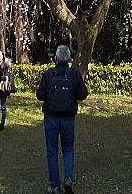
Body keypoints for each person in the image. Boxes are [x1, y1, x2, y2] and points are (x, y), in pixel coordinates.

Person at [36, 45, 88, 194]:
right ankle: (68, 178)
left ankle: (54, 185)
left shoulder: (49, 74)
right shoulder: (74, 74)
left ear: (56, 58)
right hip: (68, 118)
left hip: (51, 117)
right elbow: (83, 94)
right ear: (69, 58)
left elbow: (40, 95)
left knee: (52, 151)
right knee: (68, 149)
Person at [0, 52, 15, 131]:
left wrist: (1, 77)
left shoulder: (5, 65)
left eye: (0, 55)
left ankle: (2, 123)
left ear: (2, 56)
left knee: (3, 106)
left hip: (3, 88)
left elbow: (7, 76)